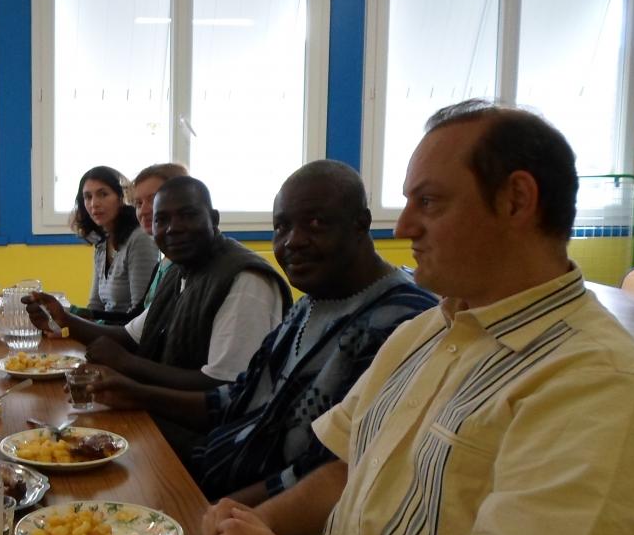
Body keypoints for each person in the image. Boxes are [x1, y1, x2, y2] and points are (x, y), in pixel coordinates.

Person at [204, 102, 634, 535]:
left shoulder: (596, 382)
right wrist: (247, 525)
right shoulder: (429, 330)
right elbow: (343, 471)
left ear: (517, 200)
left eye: (429, 202)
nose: (404, 225)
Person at [89, 161, 436, 502]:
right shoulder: (311, 304)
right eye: (282, 227)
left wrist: (213, 513)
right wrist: (134, 394)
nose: (293, 241)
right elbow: (234, 397)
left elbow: (331, 473)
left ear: (361, 225)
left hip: (260, 511)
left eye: (315, 223)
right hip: (221, 463)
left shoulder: (402, 322)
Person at [28, 176, 289, 393]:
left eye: (187, 215)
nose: (173, 228)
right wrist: (65, 320)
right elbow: (131, 336)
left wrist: (127, 367)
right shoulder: (177, 269)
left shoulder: (244, 280)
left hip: (209, 438)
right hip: (163, 410)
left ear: (214, 218)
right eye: (161, 220)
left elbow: (222, 386)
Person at [69, 165, 157, 320]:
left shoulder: (139, 239)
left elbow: (140, 316)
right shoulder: (102, 243)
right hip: (106, 334)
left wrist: (74, 320)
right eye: (88, 197)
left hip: (128, 339)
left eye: (103, 194)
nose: (94, 204)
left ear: (121, 198)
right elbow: (95, 305)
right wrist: (67, 319)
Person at [128, 162, 189, 316]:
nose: (143, 210)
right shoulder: (161, 265)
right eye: (138, 203)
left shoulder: (186, 268)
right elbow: (136, 319)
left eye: (154, 199)